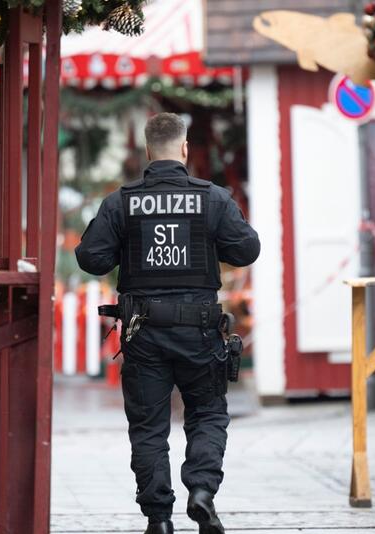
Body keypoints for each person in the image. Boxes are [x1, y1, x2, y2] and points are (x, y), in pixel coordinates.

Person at [76, 113, 260, 534]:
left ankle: (158, 518)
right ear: (183, 148)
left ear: (145, 150)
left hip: (144, 333)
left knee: (148, 426)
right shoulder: (212, 198)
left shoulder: (120, 202)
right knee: (208, 414)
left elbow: (90, 258)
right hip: (200, 331)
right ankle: (201, 492)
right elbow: (247, 249)